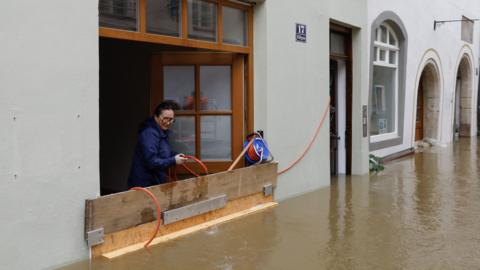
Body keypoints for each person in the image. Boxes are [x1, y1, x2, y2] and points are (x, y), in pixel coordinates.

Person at [128, 101, 188, 188]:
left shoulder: (162, 131)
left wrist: (175, 155)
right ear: (156, 116)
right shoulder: (149, 133)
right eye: (165, 118)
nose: (168, 122)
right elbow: (152, 162)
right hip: (144, 183)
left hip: (155, 181)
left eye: (171, 119)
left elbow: (163, 152)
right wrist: (173, 160)